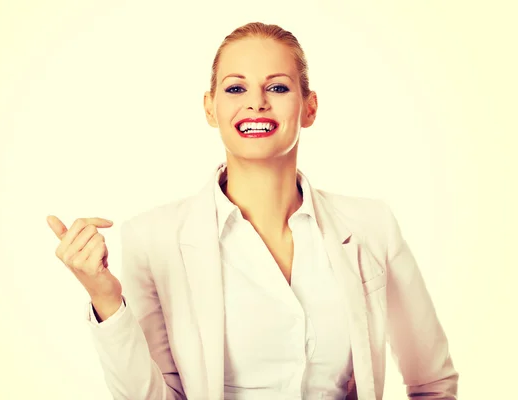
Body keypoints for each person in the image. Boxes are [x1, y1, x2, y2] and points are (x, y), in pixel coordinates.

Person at [46, 22, 458, 400]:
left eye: (277, 88)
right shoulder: (153, 238)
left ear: (309, 107)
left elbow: (433, 382)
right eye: (235, 89)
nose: (257, 103)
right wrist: (105, 299)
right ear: (210, 108)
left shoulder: (371, 226)